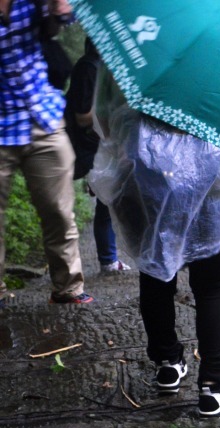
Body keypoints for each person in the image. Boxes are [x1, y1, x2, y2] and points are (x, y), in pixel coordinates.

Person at [90, 68, 220, 418]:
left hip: (144, 182)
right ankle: (214, 386)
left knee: (155, 275)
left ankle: (167, 361)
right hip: (207, 188)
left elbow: (104, 119)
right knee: (210, 287)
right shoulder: (216, 64)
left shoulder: (133, 52)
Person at [0, 0, 93, 305]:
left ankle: (68, 289)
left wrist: (58, 7)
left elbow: (64, 17)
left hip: (42, 117)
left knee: (58, 212)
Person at [64, 38, 129, 274]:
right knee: (105, 199)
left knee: (108, 198)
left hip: (100, 142)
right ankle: (108, 259)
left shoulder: (98, 68)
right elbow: (83, 116)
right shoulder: (88, 68)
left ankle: (109, 258)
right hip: (91, 145)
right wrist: (113, 113)